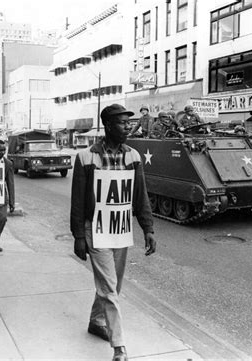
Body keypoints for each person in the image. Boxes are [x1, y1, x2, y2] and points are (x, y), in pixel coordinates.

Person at [71, 104, 156, 361]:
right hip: (95, 229)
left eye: (128, 122)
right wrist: (78, 235)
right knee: (109, 287)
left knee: (113, 285)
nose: (128, 126)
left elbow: (140, 196)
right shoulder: (86, 157)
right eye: (122, 123)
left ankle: (96, 321)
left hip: (119, 229)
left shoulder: (134, 157)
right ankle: (119, 347)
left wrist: (148, 228)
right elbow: (77, 200)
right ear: (108, 126)